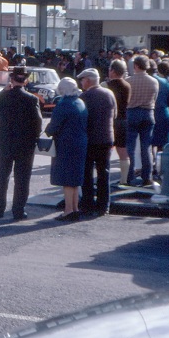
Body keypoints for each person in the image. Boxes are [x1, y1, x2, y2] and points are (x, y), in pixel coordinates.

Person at [0, 66, 42, 221]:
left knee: (2, 177)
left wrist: (3, 91)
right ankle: (19, 210)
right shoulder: (32, 99)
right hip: (25, 145)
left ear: (11, 80)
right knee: (22, 178)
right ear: (25, 81)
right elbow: (37, 123)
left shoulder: (4, 96)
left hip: (3, 143)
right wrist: (35, 139)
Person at [45, 77, 88, 221]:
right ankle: (75, 208)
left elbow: (54, 126)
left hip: (66, 144)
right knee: (75, 179)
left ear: (62, 90)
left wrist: (47, 131)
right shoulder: (80, 102)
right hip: (81, 142)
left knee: (67, 179)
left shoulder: (63, 104)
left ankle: (68, 210)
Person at [77, 68, 117, 216]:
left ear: (87, 80)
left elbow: (81, 119)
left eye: (82, 80)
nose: (81, 82)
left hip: (90, 139)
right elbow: (115, 115)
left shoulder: (84, 96)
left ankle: (87, 204)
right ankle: (104, 205)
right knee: (103, 173)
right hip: (107, 138)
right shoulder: (109, 93)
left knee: (87, 173)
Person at [125, 54, 159, 186]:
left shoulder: (129, 81)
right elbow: (154, 99)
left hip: (132, 112)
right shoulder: (154, 81)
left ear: (136, 66)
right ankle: (147, 176)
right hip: (148, 112)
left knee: (130, 147)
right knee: (146, 147)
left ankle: (129, 176)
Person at [105, 59, 132, 185]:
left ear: (113, 71)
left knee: (107, 150)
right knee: (123, 151)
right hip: (124, 119)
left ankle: (104, 178)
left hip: (110, 121)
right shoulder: (127, 86)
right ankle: (124, 179)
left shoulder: (106, 85)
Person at [151, 60, 169, 178]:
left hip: (150, 112)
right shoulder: (165, 83)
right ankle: (160, 167)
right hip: (162, 113)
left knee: (149, 143)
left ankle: (150, 166)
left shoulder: (151, 80)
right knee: (162, 143)